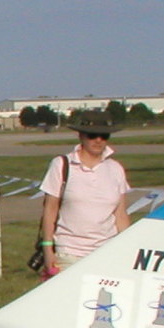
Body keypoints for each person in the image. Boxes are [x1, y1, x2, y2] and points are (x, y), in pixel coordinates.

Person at [38, 111, 131, 276]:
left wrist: (129, 249)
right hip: (68, 253)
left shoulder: (116, 169)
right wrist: (47, 249)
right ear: (81, 136)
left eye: (104, 135)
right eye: (92, 135)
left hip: (107, 253)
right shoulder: (61, 165)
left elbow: (120, 214)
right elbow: (50, 210)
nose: (98, 140)